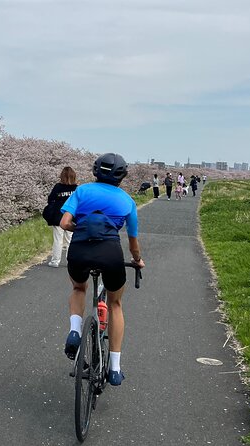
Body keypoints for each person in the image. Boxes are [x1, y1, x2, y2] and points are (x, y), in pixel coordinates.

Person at [59, 153, 145, 386]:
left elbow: (64, 223)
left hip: (79, 249)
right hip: (110, 253)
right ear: (122, 176)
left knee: (79, 288)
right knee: (115, 304)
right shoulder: (127, 201)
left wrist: (82, 228)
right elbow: (133, 242)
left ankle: (75, 331)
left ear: (96, 170)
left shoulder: (82, 191)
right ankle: (115, 369)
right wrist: (137, 260)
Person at [45, 167, 78, 267]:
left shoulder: (58, 187)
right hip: (72, 217)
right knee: (70, 240)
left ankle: (55, 261)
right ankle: (70, 261)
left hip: (58, 217)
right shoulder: (76, 188)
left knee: (58, 240)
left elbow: (50, 199)